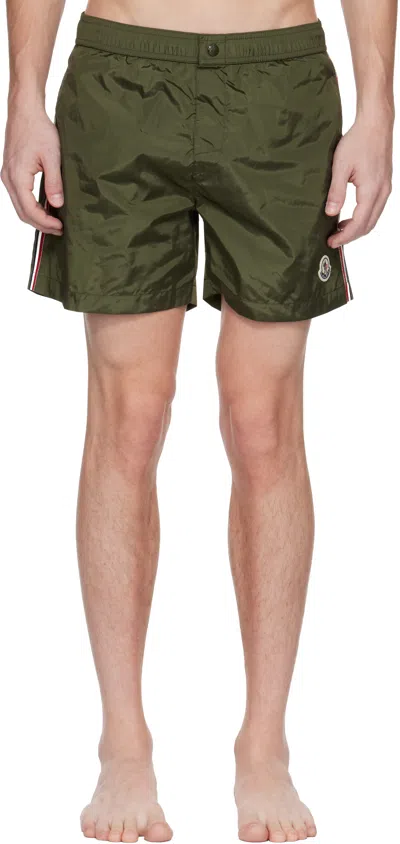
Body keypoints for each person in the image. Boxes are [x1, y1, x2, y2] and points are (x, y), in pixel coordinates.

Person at [2, 0, 396, 840]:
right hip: (119, 81)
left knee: (264, 422)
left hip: (278, 86)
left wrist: (378, 108)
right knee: (128, 417)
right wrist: (24, 93)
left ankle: (265, 745)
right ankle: (122, 743)